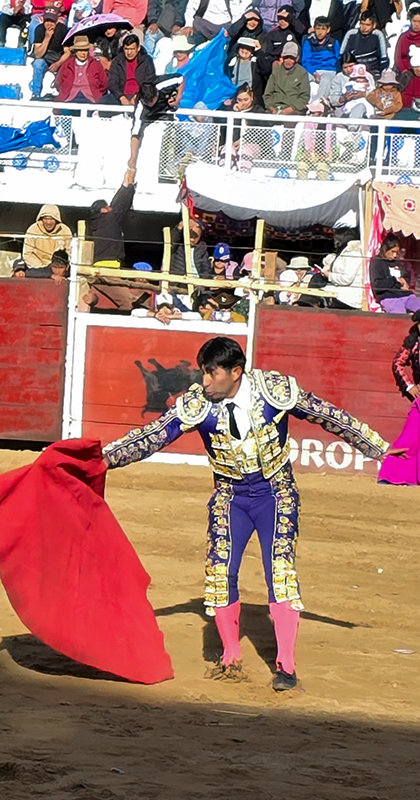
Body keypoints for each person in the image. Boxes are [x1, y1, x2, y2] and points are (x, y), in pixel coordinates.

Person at [104, 335, 396, 690]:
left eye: (212, 374)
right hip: (230, 497)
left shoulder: (274, 391)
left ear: (236, 372)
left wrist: (378, 448)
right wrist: (104, 459)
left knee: (281, 572)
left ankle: (286, 667)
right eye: (203, 372)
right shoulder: (197, 404)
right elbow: (152, 436)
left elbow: (327, 415)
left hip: (276, 494)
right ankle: (230, 657)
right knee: (220, 571)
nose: (204, 381)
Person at [379, 311, 420, 484]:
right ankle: (395, 474)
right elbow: (397, 363)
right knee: (409, 437)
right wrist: (409, 386)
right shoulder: (414, 344)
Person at [86, 170, 135, 268]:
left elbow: (115, 204)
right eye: (108, 207)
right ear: (103, 210)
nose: (111, 208)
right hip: (111, 263)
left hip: (96, 263)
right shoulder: (110, 218)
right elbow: (123, 206)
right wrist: (130, 187)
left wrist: (124, 187)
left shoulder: (95, 222)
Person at [371, 234, 419, 313]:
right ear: (385, 248)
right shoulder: (377, 262)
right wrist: (395, 280)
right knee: (399, 316)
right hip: (390, 297)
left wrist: (405, 281)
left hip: (406, 295)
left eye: (397, 252)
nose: (395, 255)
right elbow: (377, 285)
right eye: (393, 252)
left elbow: (405, 275)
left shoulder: (396, 262)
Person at [22, 204, 71, 268]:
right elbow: (27, 254)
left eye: (52, 219)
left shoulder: (65, 231)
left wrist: (58, 267)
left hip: (58, 268)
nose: (48, 222)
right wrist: (42, 267)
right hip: (38, 268)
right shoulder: (33, 230)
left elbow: (69, 253)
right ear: (41, 219)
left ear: (57, 219)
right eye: (46, 218)